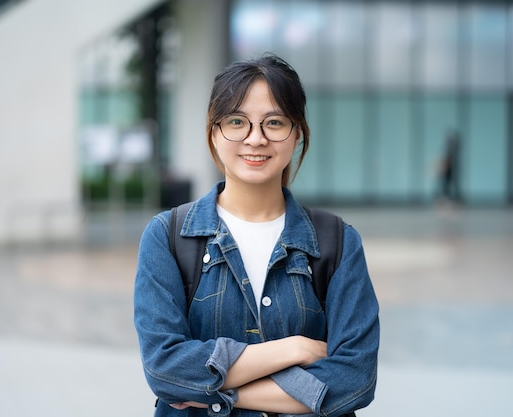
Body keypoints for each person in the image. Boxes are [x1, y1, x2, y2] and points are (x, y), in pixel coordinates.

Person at [134, 54, 380, 417]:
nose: (256, 138)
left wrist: (219, 392)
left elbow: (354, 378)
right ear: (213, 133)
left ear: (298, 134)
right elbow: (165, 369)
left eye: (274, 122)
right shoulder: (168, 237)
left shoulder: (337, 242)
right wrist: (293, 349)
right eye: (237, 121)